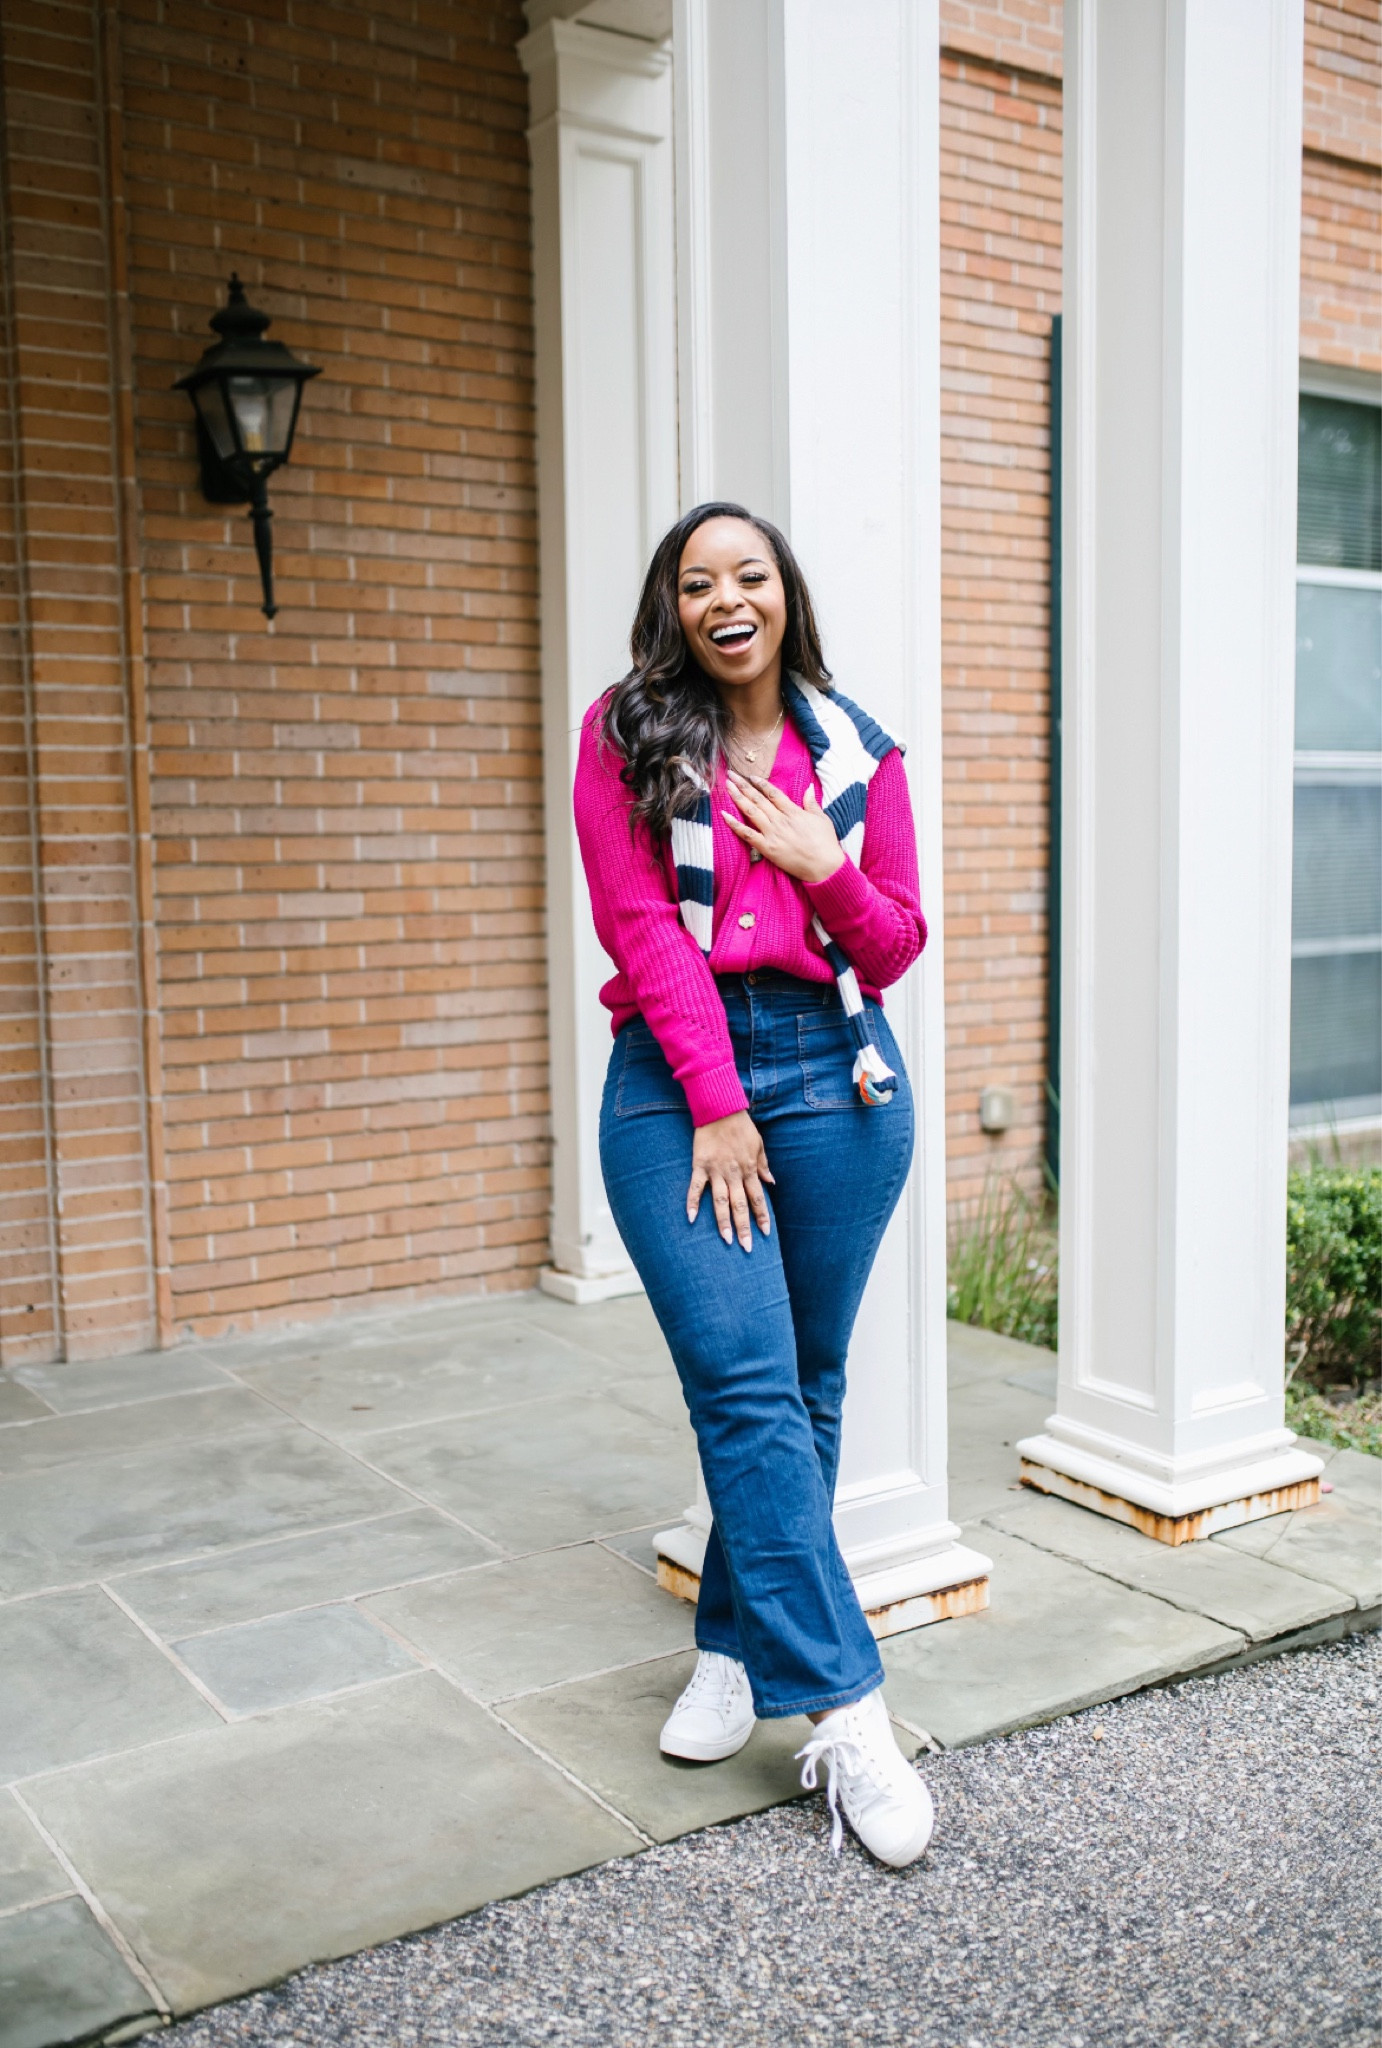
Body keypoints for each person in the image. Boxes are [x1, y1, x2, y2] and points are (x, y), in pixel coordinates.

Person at [573, 502, 934, 1868]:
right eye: (697, 580)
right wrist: (717, 1105)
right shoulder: (628, 738)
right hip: (678, 1085)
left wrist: (822, 867)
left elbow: (892, 944)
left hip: (838, 1076)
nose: (727, 597)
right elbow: (637, 927)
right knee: (743, 1381)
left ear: (784, 596)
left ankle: (734, 1646)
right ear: (674, 605)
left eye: (751, 574)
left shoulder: (860, 752)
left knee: (805, 1382)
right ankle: (847, 1710)